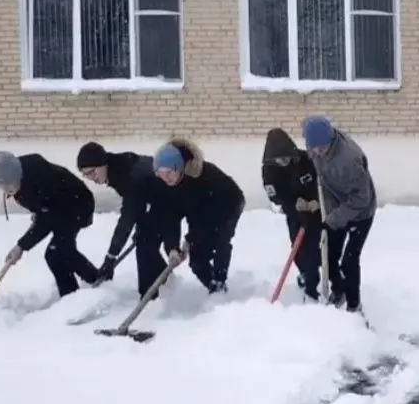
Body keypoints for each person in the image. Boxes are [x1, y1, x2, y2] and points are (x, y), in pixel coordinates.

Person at [0, 151, 98, 298]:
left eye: (8, 183)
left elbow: (47, 219)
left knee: (56, 252)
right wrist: (22, 245)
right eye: (1, 185)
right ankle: (76, 292)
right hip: (59, 210)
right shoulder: (21, 186)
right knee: (60, 251)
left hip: (77, 205)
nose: (5, 189)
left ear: (17, 176)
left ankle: (87, 285)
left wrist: (22, 246)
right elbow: (43, 214)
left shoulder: (41, 180)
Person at [75, 141, 171, 298]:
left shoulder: (127, 175)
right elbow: (137, 206)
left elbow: (128, 216)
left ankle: (149, 296)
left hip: (171, 198)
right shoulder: (117, 168)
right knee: (145, 239)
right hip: (157, 200)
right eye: (86, 175)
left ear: (102, 164)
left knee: (145, 244)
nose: (91, 178)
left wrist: (111, 256)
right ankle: (165, 281)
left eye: (92, 172)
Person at [301, 115, 377, 313]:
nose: (317, 153)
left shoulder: (348, 159)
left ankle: (354, 307)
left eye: (321, 148)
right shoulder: (317, 145)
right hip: (338, 204)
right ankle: (339, 290)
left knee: (349, 262)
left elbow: (362, 199)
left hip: (361, 212)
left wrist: (334, 218)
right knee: (329, 253)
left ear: (330, 142)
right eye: (313, 148)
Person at [153, 138, 245, 294]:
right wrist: (172, 247)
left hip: (228, 205)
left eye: (169, 172)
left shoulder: (203, 177)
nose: (166, 177)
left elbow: (207, 218)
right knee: (196, 261)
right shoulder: (166, 186)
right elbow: (170, 219)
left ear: (180, 168)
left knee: (220, 240)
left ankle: (219, 283)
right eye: (161, 174)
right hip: (200, 214)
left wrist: (190, 238)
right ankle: (212, 286)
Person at [261, 127, 323, 301]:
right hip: (294, 213)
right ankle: (306, 273)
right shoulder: (269, 170)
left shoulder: (307, 160)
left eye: (286, 157)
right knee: (298, 250)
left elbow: (322, 182)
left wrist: (316, 201)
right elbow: (275, 195)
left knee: (312, 249)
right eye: (279, 159)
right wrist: (294, 204)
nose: (283, 162)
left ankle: (312, 289)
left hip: (316, 211)